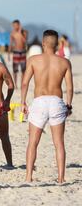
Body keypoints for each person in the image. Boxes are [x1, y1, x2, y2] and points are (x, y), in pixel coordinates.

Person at [21, 30, 73, 183]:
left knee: (33, 142)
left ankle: (29, 176)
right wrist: (68, 105)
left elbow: (25, 83)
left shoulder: (33, 60)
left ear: (43, 43)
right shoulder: (64, 62)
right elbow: (69, 88)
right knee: (59, 143)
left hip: (39, 101)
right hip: (57, 101)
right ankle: (61, 178)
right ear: (57, 44)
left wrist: (23, 102)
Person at [8, 20, 28, 88]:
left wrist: (20, 32)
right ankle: (15, 84)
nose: (14, 27)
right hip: (16, 52)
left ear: (19, 25)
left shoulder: (24, 32)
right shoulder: (12, 33)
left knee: (23, 70)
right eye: (13, 25)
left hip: (23, 52)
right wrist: (8, 54)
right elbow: (10, 44)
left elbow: (25, 41)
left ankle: (22, 83)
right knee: (15, 69)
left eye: (16, 25)